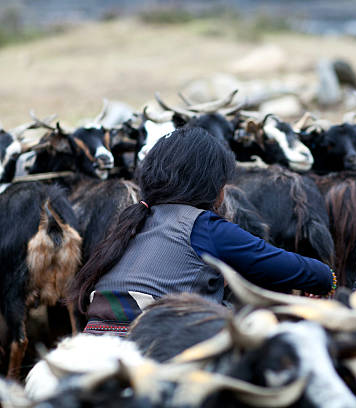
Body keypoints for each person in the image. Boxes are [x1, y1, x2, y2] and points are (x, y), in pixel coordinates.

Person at [69, 127, 335, 335]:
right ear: (212, 187)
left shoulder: (131, 222)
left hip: (93, 341)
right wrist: (330, 280)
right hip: (156, 345)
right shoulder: (204, 228)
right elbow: (305, 272)